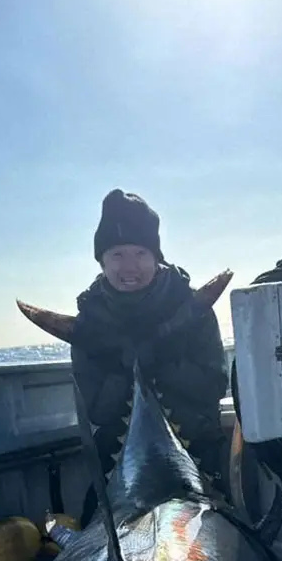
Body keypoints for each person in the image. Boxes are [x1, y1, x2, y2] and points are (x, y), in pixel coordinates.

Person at [70, 189, 230, 527]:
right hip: (121, 467)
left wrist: (161, 361)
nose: (130, 266)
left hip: (196, 457)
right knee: (93, 535)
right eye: (116, 254)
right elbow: (97, 411)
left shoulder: (192, 309)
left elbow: (214, 384)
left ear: (156, 256)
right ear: (101, 260)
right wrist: (120, 370)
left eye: (140, 253)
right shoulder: (89, 322)